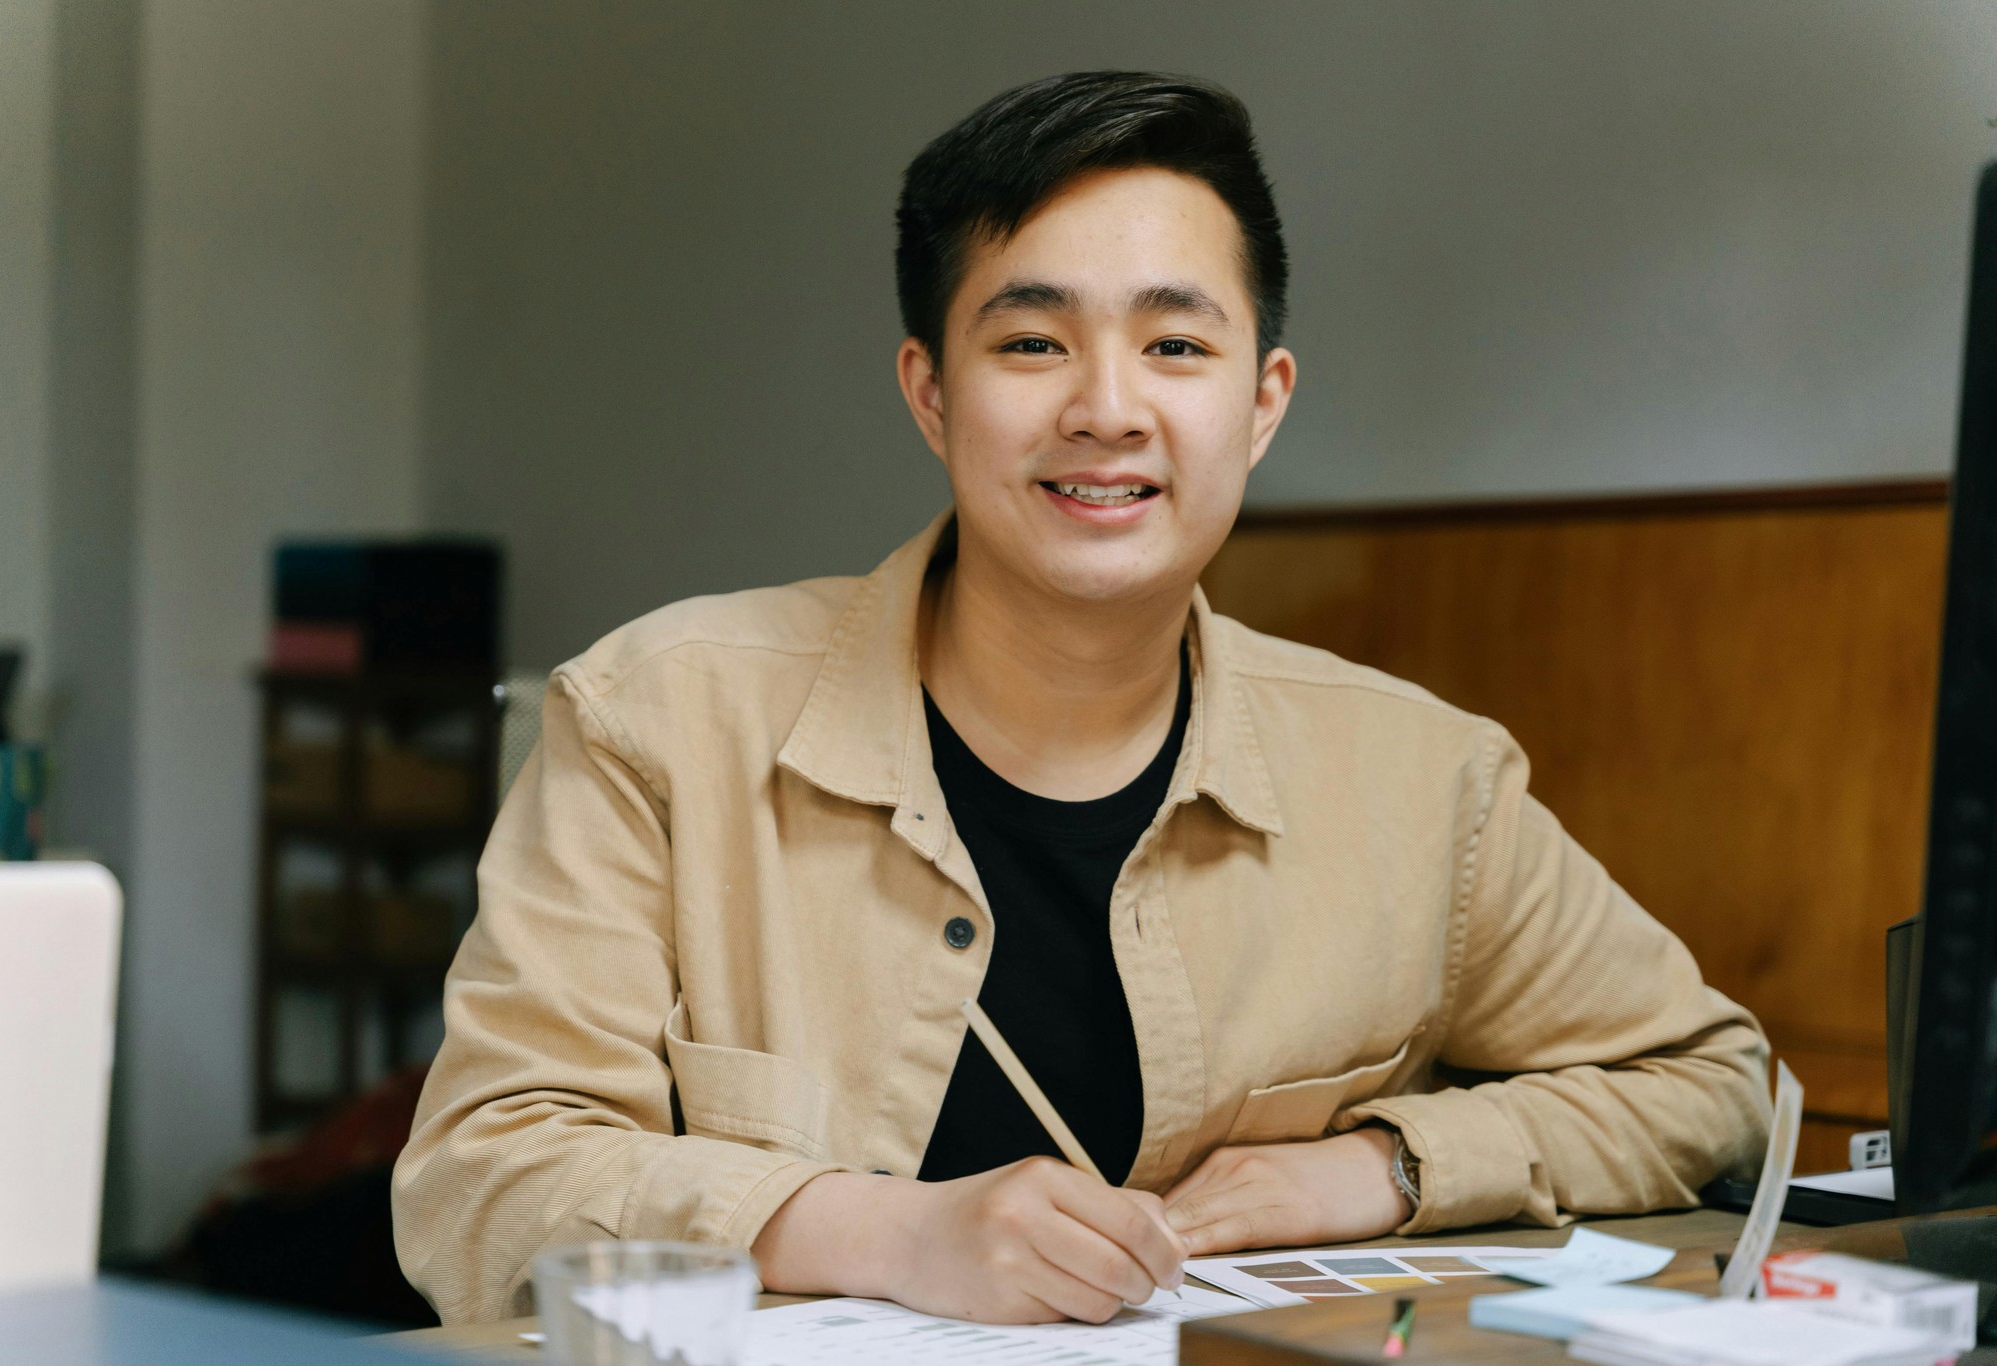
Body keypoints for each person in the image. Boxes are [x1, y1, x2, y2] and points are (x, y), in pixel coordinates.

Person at [393, 71, 1770, 1327]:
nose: (1109, 409)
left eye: (1176, 347)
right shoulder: (660, 720)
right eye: (1033, 342)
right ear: (930, 393)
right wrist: (878, 1230)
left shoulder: (1424, 777)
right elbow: (479, 1179)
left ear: (1263, 401)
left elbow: (1713, 1086)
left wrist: (1380, 1166)